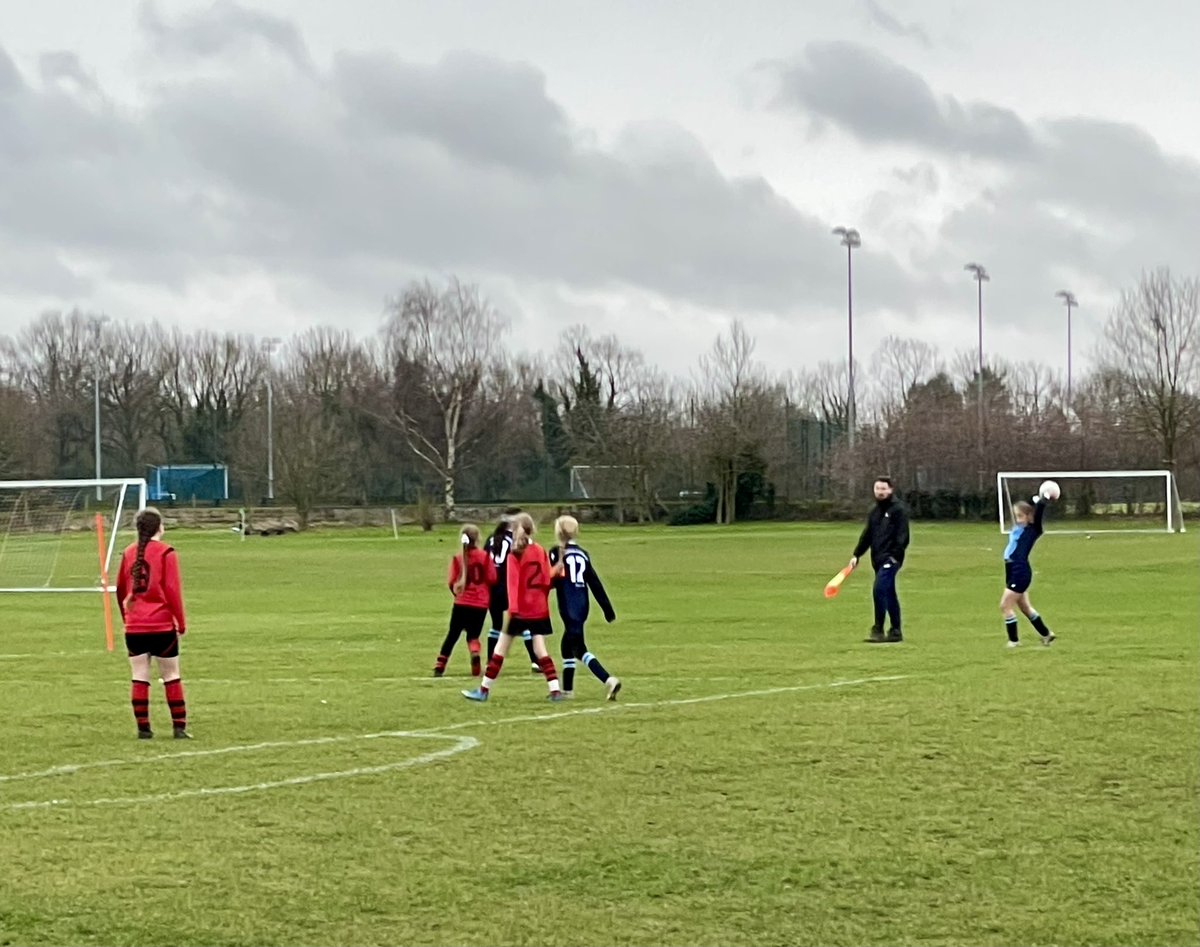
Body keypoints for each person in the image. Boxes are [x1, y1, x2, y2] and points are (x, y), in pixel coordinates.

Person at [462, 513, 564, 702]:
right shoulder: (540, 550)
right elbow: (545, 581)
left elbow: (513, 585)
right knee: (541, 650)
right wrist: (556, 572)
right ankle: (555, 690)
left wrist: (513, 611)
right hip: (538, 609)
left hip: (520, 610)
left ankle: (483, 690)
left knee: (500, 649)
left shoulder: (515, 554)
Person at [115, 507, 190, 739]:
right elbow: (172, 590)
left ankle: (143, 729)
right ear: (160, 527)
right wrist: (181, 621)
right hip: (161, 625)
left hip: (135, 626)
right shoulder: (167, 552)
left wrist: (126, 618)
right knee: (171, 674)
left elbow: (120, 590)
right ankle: (179, 727)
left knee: (139, 674)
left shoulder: (128, 553)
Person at [548, 515, 620, 700]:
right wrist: (607, 609)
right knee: (568, 646)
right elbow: (594, 583)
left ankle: (609, 680)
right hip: (582, 604)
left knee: (579, 649)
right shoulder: (583, 554)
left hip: (568, 604)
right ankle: (568, 691)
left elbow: (552, 578)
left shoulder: (556, 552)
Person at [848, 476, 910, 643]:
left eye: (883, 489)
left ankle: (878, 629)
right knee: (889, 593)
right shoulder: (874, 511)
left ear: (890, 490)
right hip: (877, 558)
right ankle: (896, 631)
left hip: (892, 559)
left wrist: (895, 555)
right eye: (877, 489)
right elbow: (867, 535)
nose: (880, 492)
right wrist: (856, 555)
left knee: (879, 589)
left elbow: (903, 536)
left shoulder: (898, 510)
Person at [481, 510, 541, 672]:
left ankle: (489, 661)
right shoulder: (516, 540)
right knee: (525, 624)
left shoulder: (491, 540)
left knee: (496, 625)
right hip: (510, 587)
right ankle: (535, 660)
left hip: (492, 588)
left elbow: (484, 563)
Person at [434, 524, 497, 677]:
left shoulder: (458, 558)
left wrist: (457, 594)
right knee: (473, 635)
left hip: (462, 602)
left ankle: (440, 665)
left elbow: (452, 582)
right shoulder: (485, 557)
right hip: (480, 604)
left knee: (453, 634)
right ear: (478, 539)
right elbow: (492, 578)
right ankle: (475, 653)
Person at [1001, 495, 1056, 648]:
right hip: (1011, 569)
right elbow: (1030, 508)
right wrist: (1033, 500)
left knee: (1005, 606)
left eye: (1020, 516)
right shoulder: (1019, 529)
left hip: (1020, 571)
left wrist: (1042, 501)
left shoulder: (1032, 530)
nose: (1017, 519)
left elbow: (1037, 516)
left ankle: (1014, 641)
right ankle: (1046, 634)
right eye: (1016, 515)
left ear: (1029, 517)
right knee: (1025, 607)